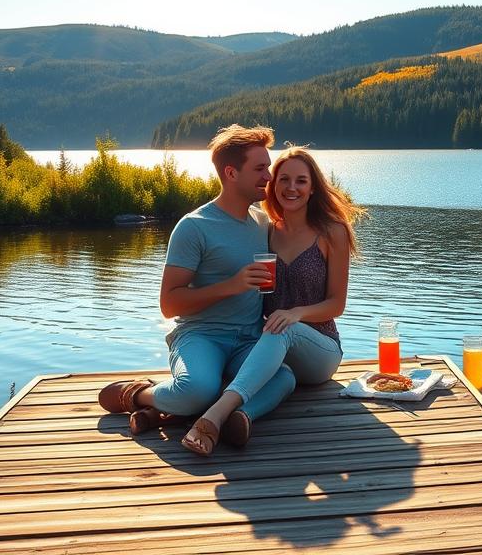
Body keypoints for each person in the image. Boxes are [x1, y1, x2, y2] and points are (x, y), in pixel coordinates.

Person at [98, 124, 296, 445]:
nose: (269, 176)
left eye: (269, 167)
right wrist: (230, 285)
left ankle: (236, 417)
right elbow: (169, 303)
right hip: (202, 336)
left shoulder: (262, 222)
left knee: (284, 377)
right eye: (260, 168)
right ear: (231, 173)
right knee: (197, 389)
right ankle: (141, 396)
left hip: (247, 339)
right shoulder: (193, 227)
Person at [181, 146, 364, 455]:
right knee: (244, 360)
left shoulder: (332, 232)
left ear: (313, 186)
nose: (291, 188)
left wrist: (296, 313)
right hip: (269, 348)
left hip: (319, 350)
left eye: (301, 181)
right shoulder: (265, 230)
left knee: (284, 327)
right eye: (284, 179)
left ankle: (214, 415)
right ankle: (239, 417)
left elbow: (337, 304)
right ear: (273, 185)